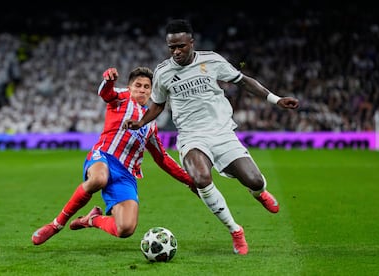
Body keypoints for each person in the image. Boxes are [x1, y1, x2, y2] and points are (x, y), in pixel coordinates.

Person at [123, 19, 299, 255]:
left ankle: (259, 193)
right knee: (201, 178)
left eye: (181, 46)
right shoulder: (163, 72)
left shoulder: (212, 60)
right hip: (191, 136)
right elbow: (157, 104)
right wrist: (141, 122)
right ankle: (235, 231)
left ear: (192, 43)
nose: (176, 52)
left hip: (222, 132)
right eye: (171, 47)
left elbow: (243, 81)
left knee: (254, 180)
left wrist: (276, 100)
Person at [31, 66, 198, 246]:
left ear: (152, 91)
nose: (141, 90)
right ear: (130, 87)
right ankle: (56, 225)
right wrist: (109, 80)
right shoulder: (122, 97)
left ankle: (91, 220)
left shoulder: (150, 125)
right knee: (99, 179)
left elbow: (162, 159)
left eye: (146, 87)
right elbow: (105, 93)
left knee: (125, 229)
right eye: (138, 85)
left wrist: (189, 180)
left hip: (125, 175)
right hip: (103, 156)